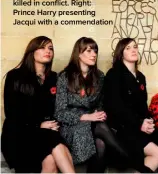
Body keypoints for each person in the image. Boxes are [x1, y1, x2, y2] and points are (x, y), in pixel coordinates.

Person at [1, 36, 75, 173]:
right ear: (32, 51)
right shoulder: (15, 76)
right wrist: (38, 124)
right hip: (20, 133)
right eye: (42, 47)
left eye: (50, 48)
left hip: (46, 132)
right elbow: (11, 112)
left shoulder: (54, 77)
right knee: (54, 141)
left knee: (51, 160)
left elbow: (59, 107)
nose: (47, 51)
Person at [103, 38, 158, 173]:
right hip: (124, 128)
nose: (133, 50)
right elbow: (115, 107)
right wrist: (139, 123)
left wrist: (148, 121)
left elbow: (142, 106)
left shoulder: (140, 77)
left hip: (142, 125)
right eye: (128, 48)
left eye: (135, 47)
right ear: (121, 53)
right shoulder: (114, 74)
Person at [55, 37, 111, 172]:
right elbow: (59, 112)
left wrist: (100, 113)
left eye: (95, 51)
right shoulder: (64, 77)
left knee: (101, 142)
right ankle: (137, 164)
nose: (94, 55)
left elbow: (101, 104)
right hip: (72, 126)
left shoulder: (100, 76)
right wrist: (86, 117)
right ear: (79, 53)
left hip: (94, 124)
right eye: (89, 51)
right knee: (99, 140)